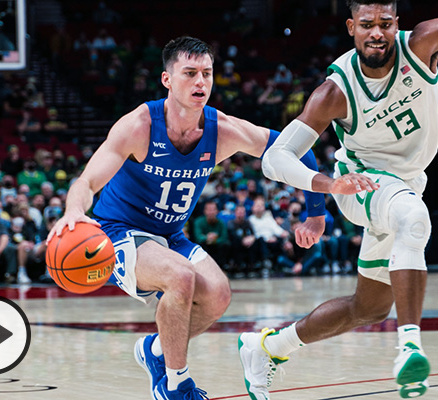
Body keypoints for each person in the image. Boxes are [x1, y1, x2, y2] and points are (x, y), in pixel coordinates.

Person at [46, 36, 372, 400]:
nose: (200, 82)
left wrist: (316, 214)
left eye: (206, 73)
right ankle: (175, 385)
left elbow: (297, 150)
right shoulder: (139, 125)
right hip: (118, 232)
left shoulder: (223, 131)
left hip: (169, 236)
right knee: (180, 277)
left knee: (217, 296)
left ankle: (155, 351)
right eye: (189, 73)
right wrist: (74, 211)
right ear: (167, 80)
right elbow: (87, 181)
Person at [238, 1, 438, 399]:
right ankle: (410, 348)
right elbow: (275, 158)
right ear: (352, 27)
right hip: (362, 186)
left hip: (407, 183)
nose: (377, 32)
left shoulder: (422, 45)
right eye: (368, 24)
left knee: (368, 307)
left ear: (396, 25)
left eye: (385, 24)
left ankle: (267, 347)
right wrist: (326, 185)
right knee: (415, 218)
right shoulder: (335, 92)